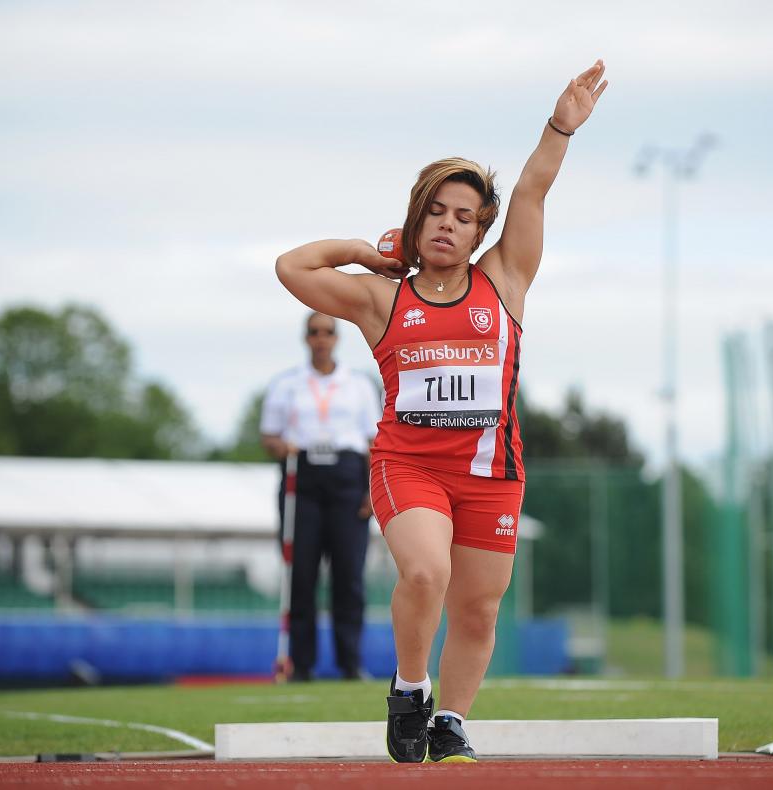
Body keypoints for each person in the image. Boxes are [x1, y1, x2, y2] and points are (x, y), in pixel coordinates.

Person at [274, 60, 607, 762]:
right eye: (436, 212)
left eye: (464, 217)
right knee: (426, 574)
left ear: (481, 230)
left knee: (479, 608)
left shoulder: (505, 279)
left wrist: (560, 128)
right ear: (416, 219)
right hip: (410, 466)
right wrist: (367, 253)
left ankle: (451, 718)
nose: (448, 226)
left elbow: (534, 190)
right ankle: (409, 688)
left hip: (492, 473)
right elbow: (293, 268)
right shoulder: (381, 299)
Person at [260, 311, 381, 681]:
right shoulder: (287, 384)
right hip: (303, 478)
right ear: (306, 338)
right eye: (314, 332)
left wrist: (371, 491)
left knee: (349, 575)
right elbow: (269, 436)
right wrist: (281, 447)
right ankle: (301, 664)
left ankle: (350, 664)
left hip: (347, 478)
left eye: (328, 332)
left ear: (336, 338)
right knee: (300, 576)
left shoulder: (358, 384)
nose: (321, 338)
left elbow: (374, 443)